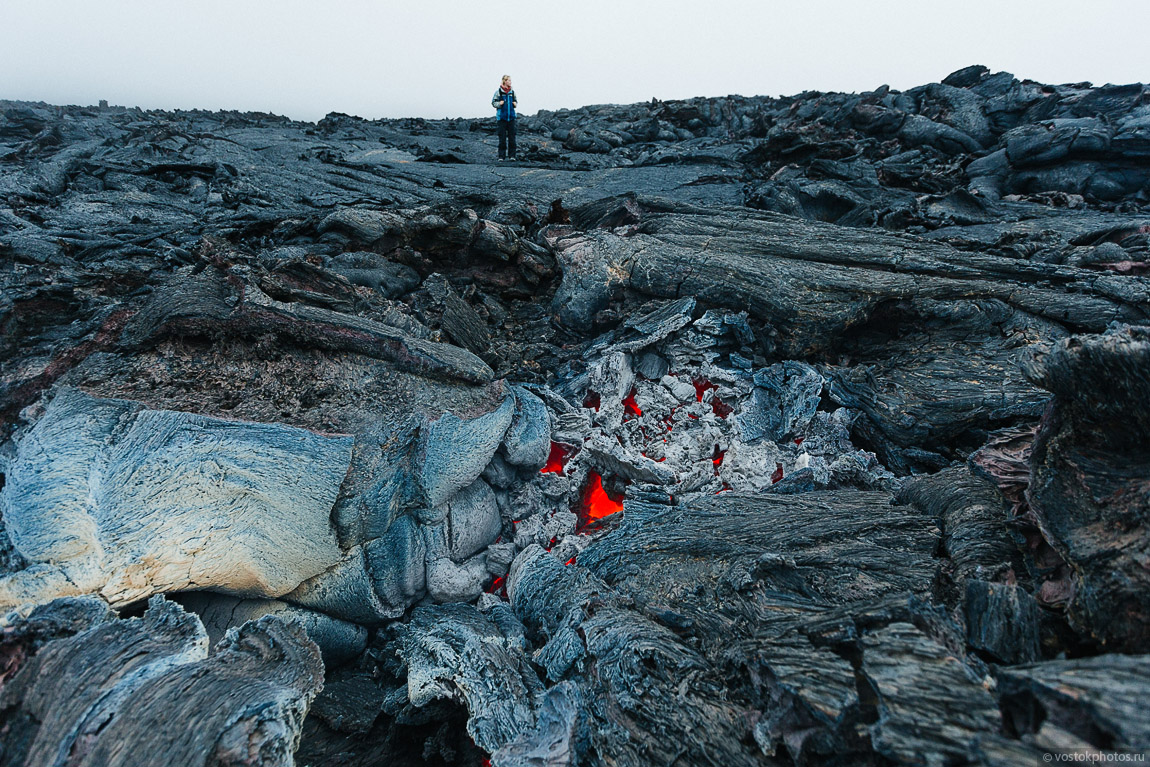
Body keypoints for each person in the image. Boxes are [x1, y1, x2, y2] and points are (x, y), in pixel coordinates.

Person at [491, 75, 518, 161]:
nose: (510, 82)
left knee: (512, 138)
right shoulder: (498, 92)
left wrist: (515, 104)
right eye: (509, 80)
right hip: (502, 119)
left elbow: (516, 101)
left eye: (510, 80)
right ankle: (501, 156)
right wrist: (500, 104)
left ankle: (512, 156)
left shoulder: (512, 92)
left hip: (511, 118)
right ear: (505, 81)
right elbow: (493, 103)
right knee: (502, 138)